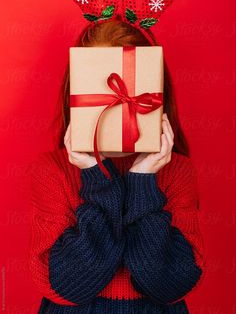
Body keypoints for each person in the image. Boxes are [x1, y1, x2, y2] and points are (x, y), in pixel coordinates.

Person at [28, 19, 205, 313]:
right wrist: (96, 178)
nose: (116, 104)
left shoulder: (176, 172)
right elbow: (70, 285)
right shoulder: (54, 172)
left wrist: (143, 180)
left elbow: (168, 285)